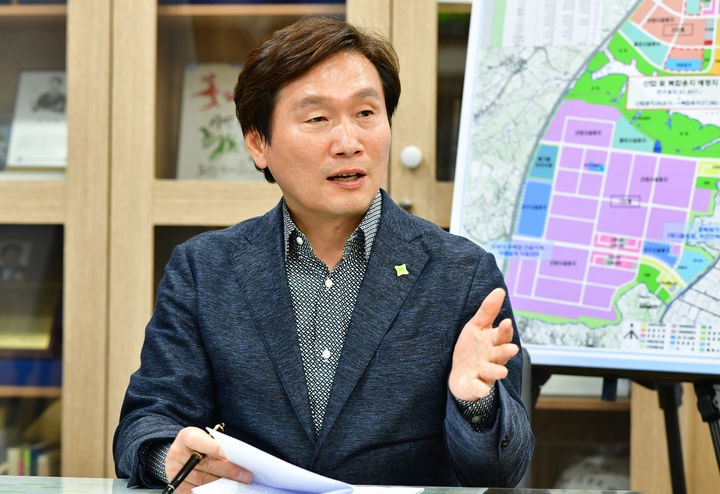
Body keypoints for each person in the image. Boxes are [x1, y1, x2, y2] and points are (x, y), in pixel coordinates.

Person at [113, 16, 533, 492]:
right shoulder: (204, 270)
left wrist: (475, 405)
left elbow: (502, 471)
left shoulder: (461, 274)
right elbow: (146, 420)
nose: (349, 143)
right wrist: (166, 457)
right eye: (318, 119)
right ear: (258, 143)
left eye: (366, 113)